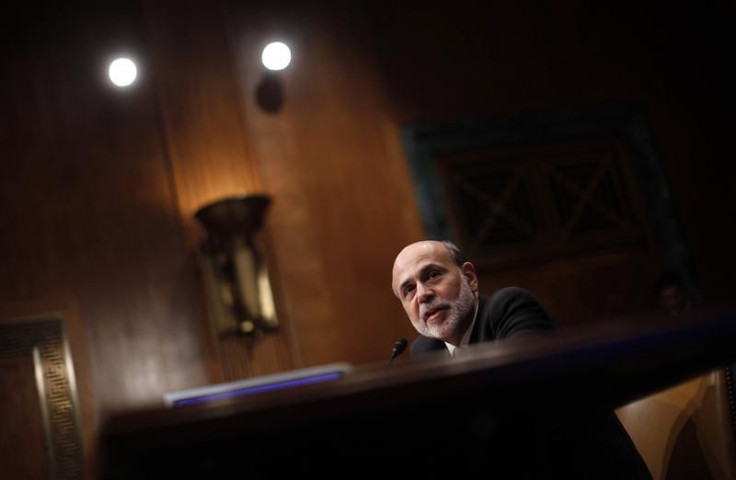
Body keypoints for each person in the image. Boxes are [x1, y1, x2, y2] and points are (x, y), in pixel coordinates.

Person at [391, 240, 652, 479]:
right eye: (409, 289)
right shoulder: (425, 351)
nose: (423, 294)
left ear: (469, 277)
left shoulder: (509, 307)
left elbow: (518, 404)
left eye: (433, 275)